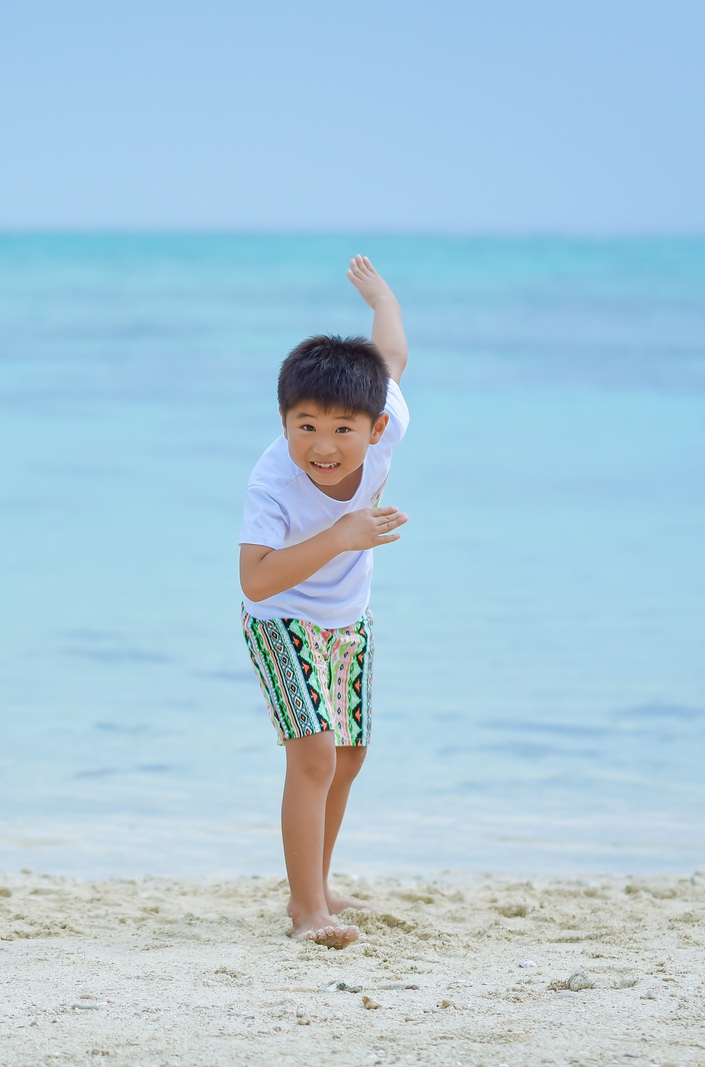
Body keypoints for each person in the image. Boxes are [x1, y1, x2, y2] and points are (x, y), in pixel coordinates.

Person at [237, 255, 410, 948]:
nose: (324, 445)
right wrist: (343, 535)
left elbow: (392, 352)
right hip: (280, 618)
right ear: (284, 422)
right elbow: (255, 579)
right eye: (305, 425)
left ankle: (319, 880)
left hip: (348, 619)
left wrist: (382, 296)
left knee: (349, 755)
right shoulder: (272, 483)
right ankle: (307, 909)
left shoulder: (388, 421)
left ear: (374, 426)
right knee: (312, 755)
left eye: (343, 428)